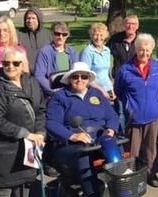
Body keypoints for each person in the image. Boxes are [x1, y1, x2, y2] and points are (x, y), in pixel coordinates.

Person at [46, 62, 119, 197]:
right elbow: (51, 123)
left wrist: (111, 129)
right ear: (69, 79)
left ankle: (120, 190)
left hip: (99, 140)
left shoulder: (96, 94)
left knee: (116, 148)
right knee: (83, 154)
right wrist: (72, 136)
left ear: (88, 79)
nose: (80, 80)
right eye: (75, 77)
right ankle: (92, 194)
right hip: (71, 145)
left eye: (84, 77)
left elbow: (112, 115)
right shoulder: (60, 97)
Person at [0, 48, 45, 197]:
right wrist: (25, 134)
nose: (11, 66)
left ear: (23, 65)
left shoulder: (32, 83)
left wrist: (40, 132)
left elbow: (41, 110)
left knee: (24, 192)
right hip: (2, 156)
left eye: (16, 63)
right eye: (6, 63)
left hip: (27, 153)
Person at [114, 33, 158, 188]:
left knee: (150, 149)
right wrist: (130, 105)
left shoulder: (157, 67)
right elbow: (119, 90)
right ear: (136, 50)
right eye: (141, 50)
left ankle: (149, 173)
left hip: (153, 115)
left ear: (152, 50)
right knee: (133, 151)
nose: (145, 53)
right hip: (134, 117)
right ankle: (133, 178)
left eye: (148, 50)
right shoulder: (125, 70)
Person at [35, 22, 78, 97]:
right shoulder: (44, 52)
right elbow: (39, 76)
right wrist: (54, 90)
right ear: (52, 34)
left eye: (64, 34)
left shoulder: (72, 52)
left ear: (68, 35)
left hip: (71, 91)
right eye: (57, 34)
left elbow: (76, 72)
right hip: (52, 94)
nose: (60, 37)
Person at [80, 23, 114, 100]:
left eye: (101, 35)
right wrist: (101, 90)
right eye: (96, 35)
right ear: (91, 36)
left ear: (105, 36)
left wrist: (111, 88)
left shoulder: (107, 51)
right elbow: (85, 76)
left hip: (107, 89)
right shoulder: (87, 51)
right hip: (93, 90)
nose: (98, 38)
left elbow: (107, 74)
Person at [17, 7, 52, 74]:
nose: (30, 21)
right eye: (28, 18)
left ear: (39, 19)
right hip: (25, 74)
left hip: (45, 73)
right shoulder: (18, 34)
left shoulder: (49, 34)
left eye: (33, 18)